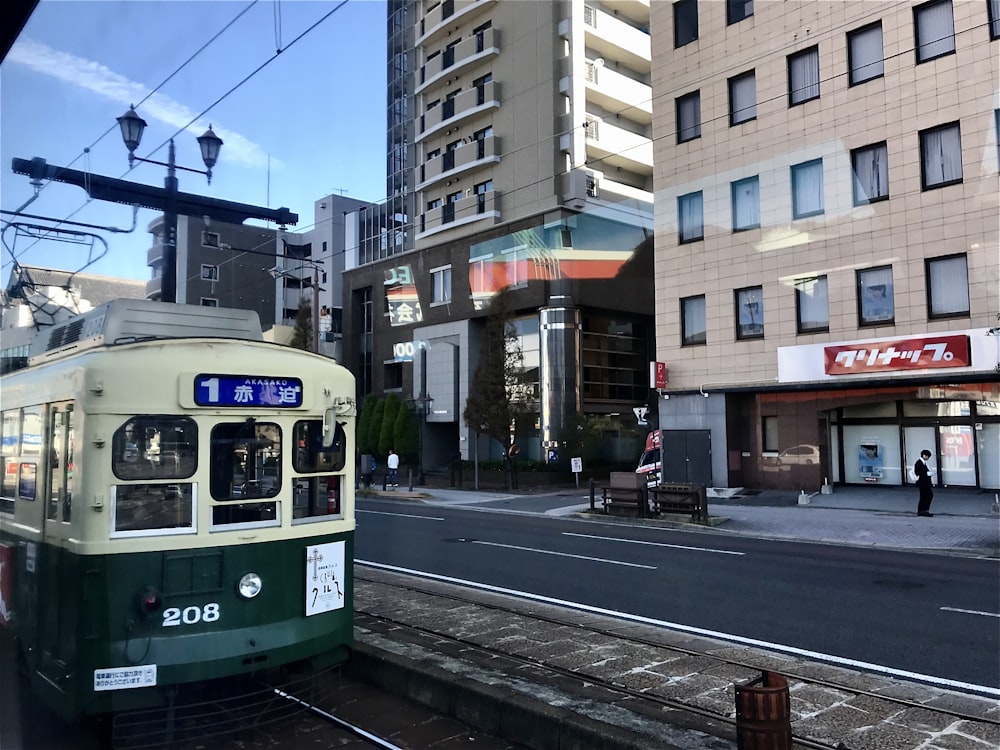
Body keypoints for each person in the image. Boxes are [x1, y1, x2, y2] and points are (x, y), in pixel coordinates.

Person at [914, 449, 934, 516]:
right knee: (928, 495)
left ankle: (922, 511)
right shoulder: (919, 463)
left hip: (924, 482)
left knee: (924, 496)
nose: (928, 458)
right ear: (924, 455)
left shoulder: (923, 463)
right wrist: (927, 474)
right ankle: (924, 510)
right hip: (922, 483)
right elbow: (918, 472)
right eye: (928, 456)